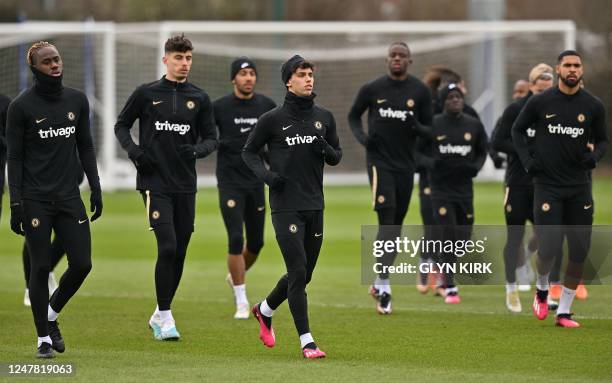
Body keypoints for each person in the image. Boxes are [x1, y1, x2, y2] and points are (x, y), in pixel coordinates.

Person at [115, 34, 217, 340]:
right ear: (165, 60)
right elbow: (121, 125)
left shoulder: (199, 98)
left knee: (181, 251)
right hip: (153, 183)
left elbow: (212, 138)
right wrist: (134, 152)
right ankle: (167, 318)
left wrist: (197, 151)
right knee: (168, 246)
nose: (184, 63)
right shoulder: (146, 94)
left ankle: (160, 312)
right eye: (178, 58)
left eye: (188, 58)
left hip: (186, 185)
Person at [7, 41, 103, 358]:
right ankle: (42, 340)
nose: (54, 65)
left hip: (69, 198)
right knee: (41, 265)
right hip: (35, 200)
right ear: (35, 67)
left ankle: (50, 316)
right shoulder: (20, 107)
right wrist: (16, 204)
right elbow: (15, 159)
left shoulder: (77, 100)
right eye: (47, 62)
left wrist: (97, 187)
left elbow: (86, 147)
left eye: (57, 59)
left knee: (82, 264)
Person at [243, 55, 341, 359]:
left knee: (304, 274)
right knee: (297, 271)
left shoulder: (324, 117)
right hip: (286, 207)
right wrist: (269, 178)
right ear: (289, 80)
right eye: (302, 74)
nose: (308, 79)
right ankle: (307, 341)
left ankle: (265, 309)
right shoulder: (272, 119)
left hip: (315, 206)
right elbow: (249, 153)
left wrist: (323, 146)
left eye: (311, 74)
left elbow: (335, 156)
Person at [511, 50, 607, 327]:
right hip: (547, 186)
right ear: (558, 69)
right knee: (549, 248)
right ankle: (542, 290)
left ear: (582, 70)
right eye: (568, 65)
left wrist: (594, 157)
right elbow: (518, 131)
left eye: (577, 65)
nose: (573, 69)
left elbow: (602, 140)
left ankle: (563, 311)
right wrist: (528, 162)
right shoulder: (541, 102)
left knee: (579, 250)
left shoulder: (593, 105)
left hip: (579, 187)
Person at [348, 42, 432, 314]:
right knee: (387, 218)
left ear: (410, 60)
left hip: (406, 166)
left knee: (396, 224)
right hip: (379, 163)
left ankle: (379, 281)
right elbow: (352, 116)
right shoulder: (372, 89)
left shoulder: (420, 91)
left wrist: (416, 127)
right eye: (393, 55)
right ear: (387, 60)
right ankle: (384, 285)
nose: (397, 59)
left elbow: (430, 129)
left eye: (402, 56)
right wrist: (364, 139)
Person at [213, 57, 276, 319]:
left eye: (252, 73)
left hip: (255, 181)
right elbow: (203, 135)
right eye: (243, 74)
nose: (248, 78)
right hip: (229, 182)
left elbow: (276, 141)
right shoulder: (219, 107)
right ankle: (241, 299)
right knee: (236, 239)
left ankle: (235, 276)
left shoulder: (266, 106)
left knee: (257, 242)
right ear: (233, 79)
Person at [491, 64, 554, 312]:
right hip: (517, 183)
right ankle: (511, 289)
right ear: (532, 85)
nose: (546, 93)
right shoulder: (516, 109)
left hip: (545, 185)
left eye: (550, 88)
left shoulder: (556, 111)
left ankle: (543, 290)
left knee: (547, 238)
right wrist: (525, 150)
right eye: (541, 88)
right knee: (514, 237)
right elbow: (497, 141)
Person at [421, 83, 487, 303]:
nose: (455, 100)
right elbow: (416, 152)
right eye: (450, 97)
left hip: (465, 191)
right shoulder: (433, 124)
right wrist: (432, 164)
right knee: (447, 232)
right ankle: (449, 285)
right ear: (442, 102)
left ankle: (441, 268)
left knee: (464, 238)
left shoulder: (474, 125)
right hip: (440, 190)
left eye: (458, 96)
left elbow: (481, 151)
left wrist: (475, 168)